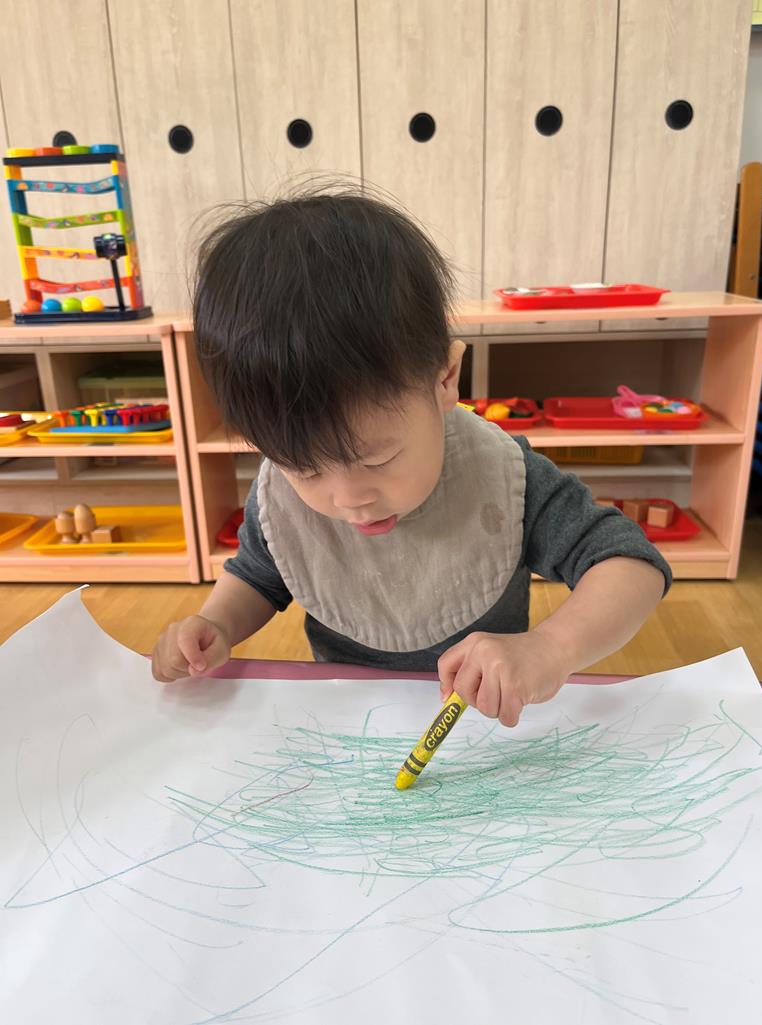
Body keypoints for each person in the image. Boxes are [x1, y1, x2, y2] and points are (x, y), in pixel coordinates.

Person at [152, 191, 670, 727]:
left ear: (445, 379)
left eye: (378, 459)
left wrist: (550, 648)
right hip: (350, 726)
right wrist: (216, 623)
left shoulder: (502, 477)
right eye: (306, 469)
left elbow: (630, 565)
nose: (350, 498)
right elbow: (260, 576)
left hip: (484, 726)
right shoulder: (280, 497)